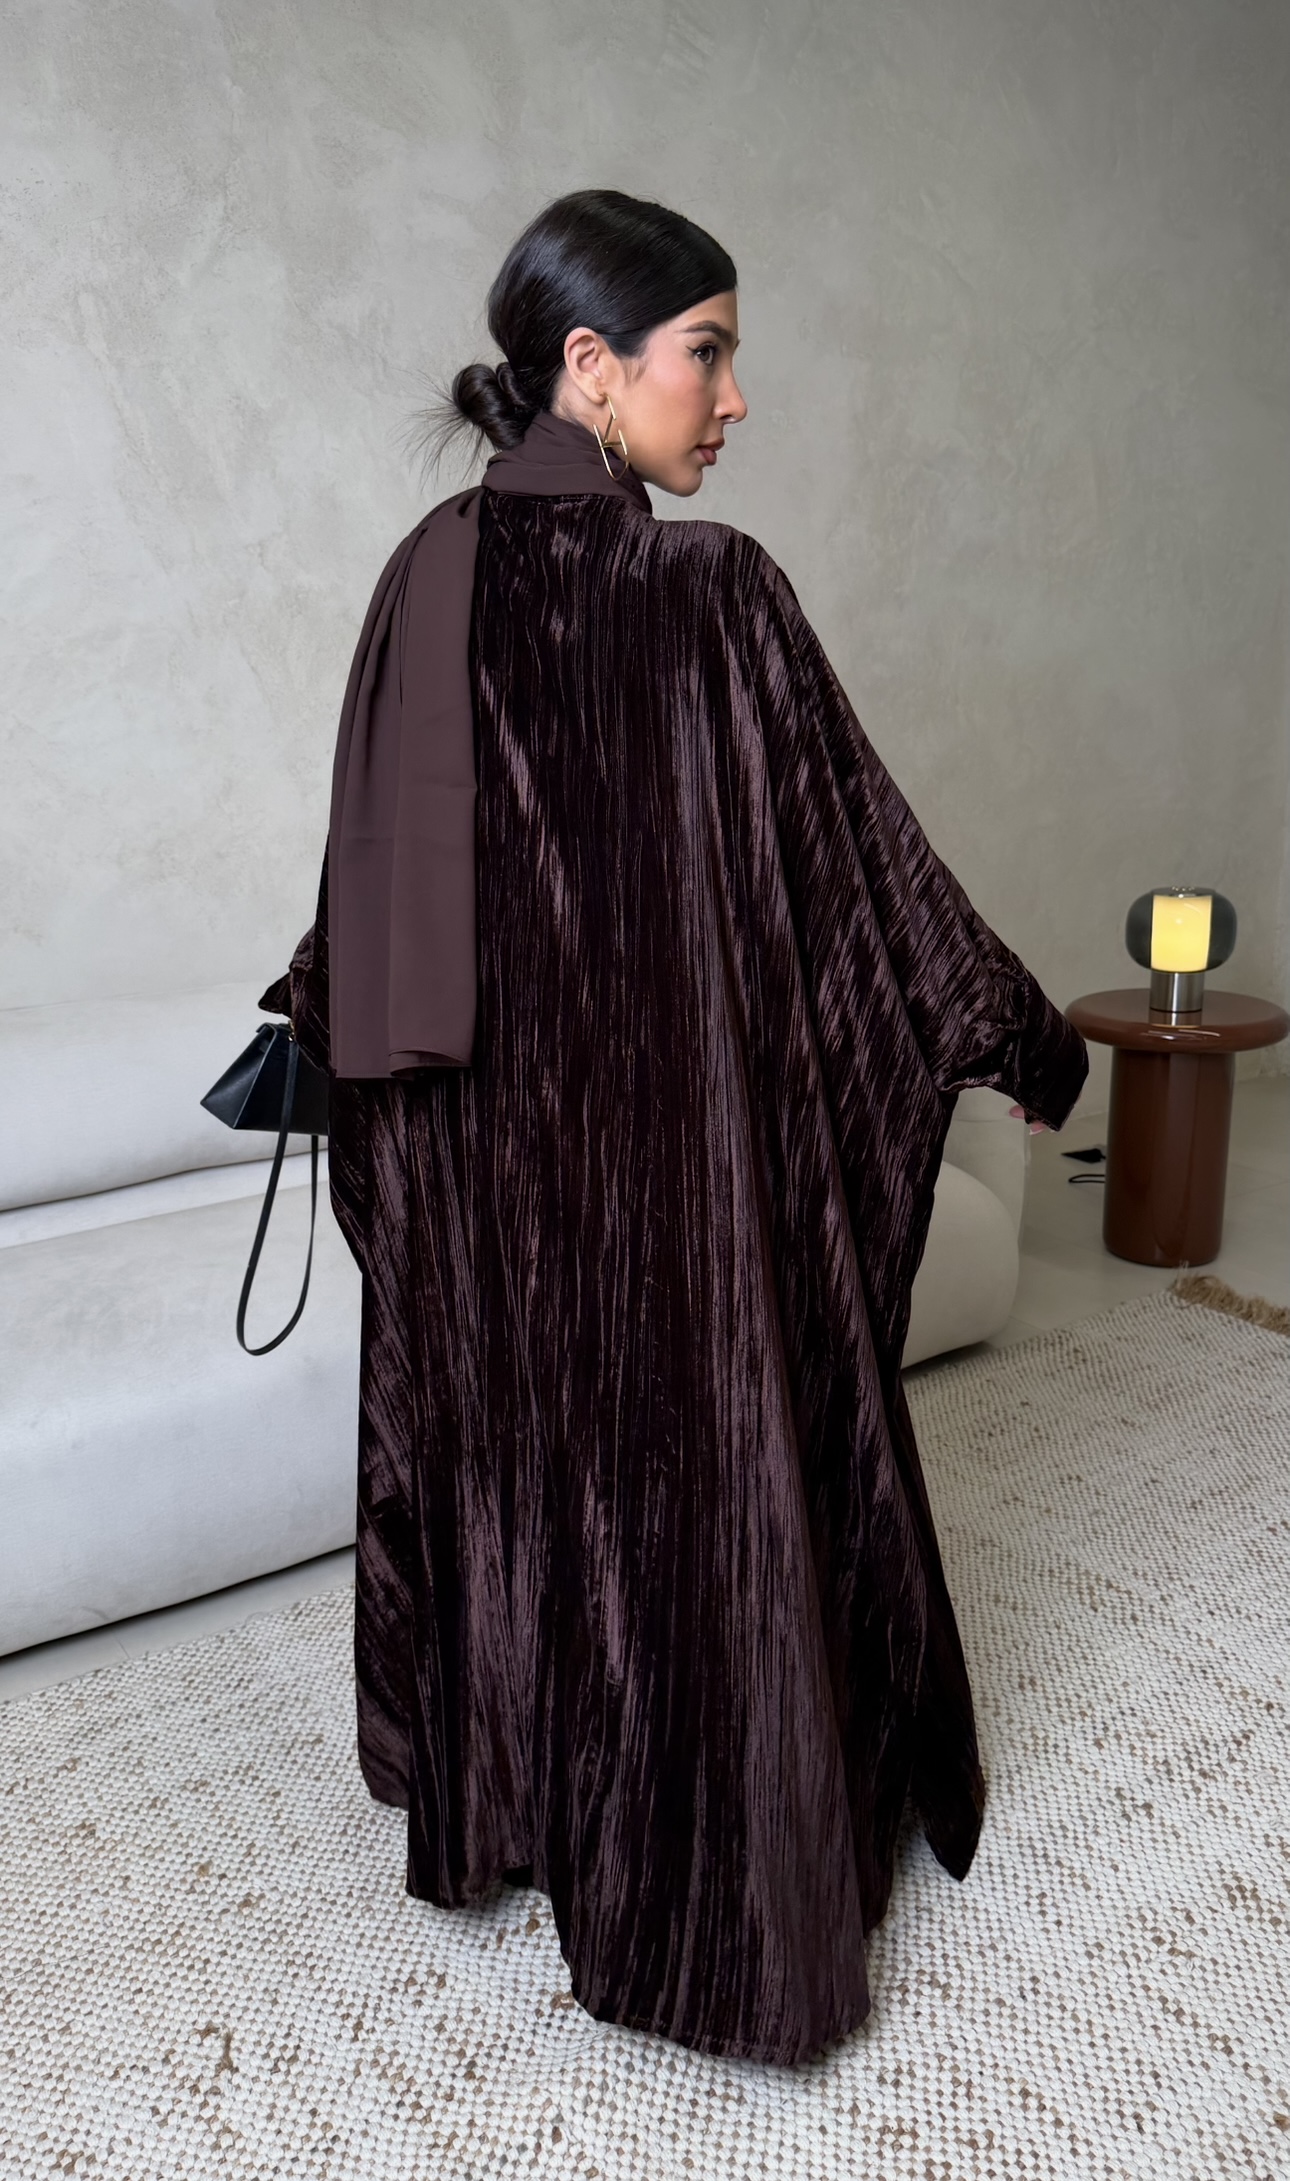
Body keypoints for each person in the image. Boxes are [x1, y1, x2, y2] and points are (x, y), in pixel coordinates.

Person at [262, 188, 1088, 2065]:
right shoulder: (708, 594)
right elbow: (872, 887)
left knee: (521, 1473)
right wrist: (1021, 1035)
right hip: (663, 1170)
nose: (732, 398)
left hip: (487, 1175)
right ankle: (711, 1896)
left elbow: (368, 877)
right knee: (698, 1492)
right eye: (704, 352)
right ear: (590, 363)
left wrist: (320, 1025)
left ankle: (522, 1805)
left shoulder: (424, 574)